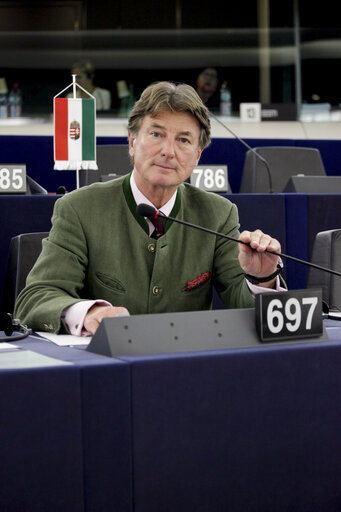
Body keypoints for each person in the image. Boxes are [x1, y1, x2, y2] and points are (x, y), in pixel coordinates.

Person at [14, 81, 284, 336]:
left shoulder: (218, 213)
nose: (168, 151)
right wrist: (88, 313)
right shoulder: (79, 208)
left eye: (184, 140)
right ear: (132, 142)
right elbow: (37, 297)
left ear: (197, 156)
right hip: (104, 367)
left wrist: (261, 280)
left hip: (186, 368)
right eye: (156, 134)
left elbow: (243, 301)